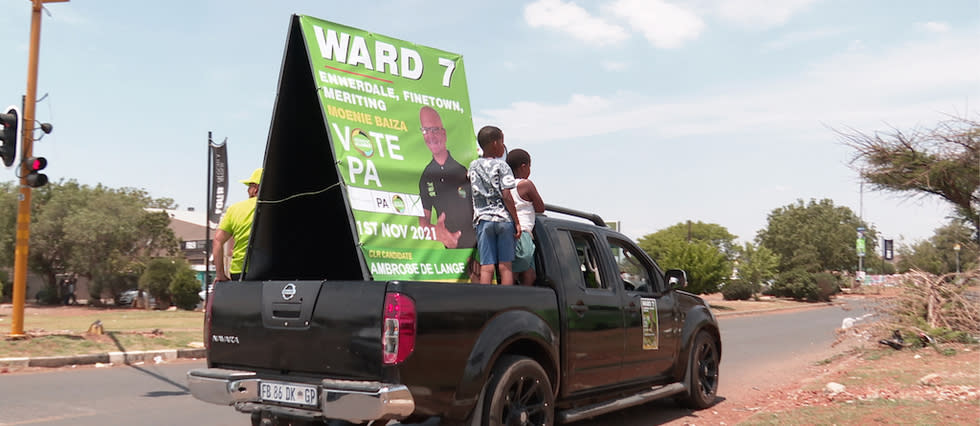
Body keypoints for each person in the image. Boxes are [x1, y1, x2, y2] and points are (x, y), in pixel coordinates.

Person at [417, 106, 476, 249]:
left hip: (478, 242)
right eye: (426, 130)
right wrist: (437, 233)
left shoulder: (463, 170)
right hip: (452, 251)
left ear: (444, 134)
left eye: (435, 130)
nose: (431, 136)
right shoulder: (425, 177)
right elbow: (423, 222)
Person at [468, 126, 520, 285]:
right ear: (496, 143)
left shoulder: (474, 165)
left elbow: (467, 177)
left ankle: (485, 302)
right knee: (505, 266)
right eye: (502, 142)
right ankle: (507, 301)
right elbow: (507, 196)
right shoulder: (502, 166)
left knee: (486, 266)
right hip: (503, 219)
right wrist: (517, 221)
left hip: (483, 220)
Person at [213, 168, 261, 282]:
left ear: (255, 189)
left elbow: (217, 241)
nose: (247, 190)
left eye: (249, 186)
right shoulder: (278, 207)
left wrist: (220, 275)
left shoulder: (235, 209)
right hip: (270, 269)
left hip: (240, 271)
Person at [506, 149, 545, 286]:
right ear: (524, 166)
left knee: (530, 273)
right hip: (522, 231)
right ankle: (513, 297)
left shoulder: (504, 185)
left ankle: (524, 298)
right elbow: (540, 208)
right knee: (516, 267)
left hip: (511, 230)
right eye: (529, 166)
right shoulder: (525, 184)